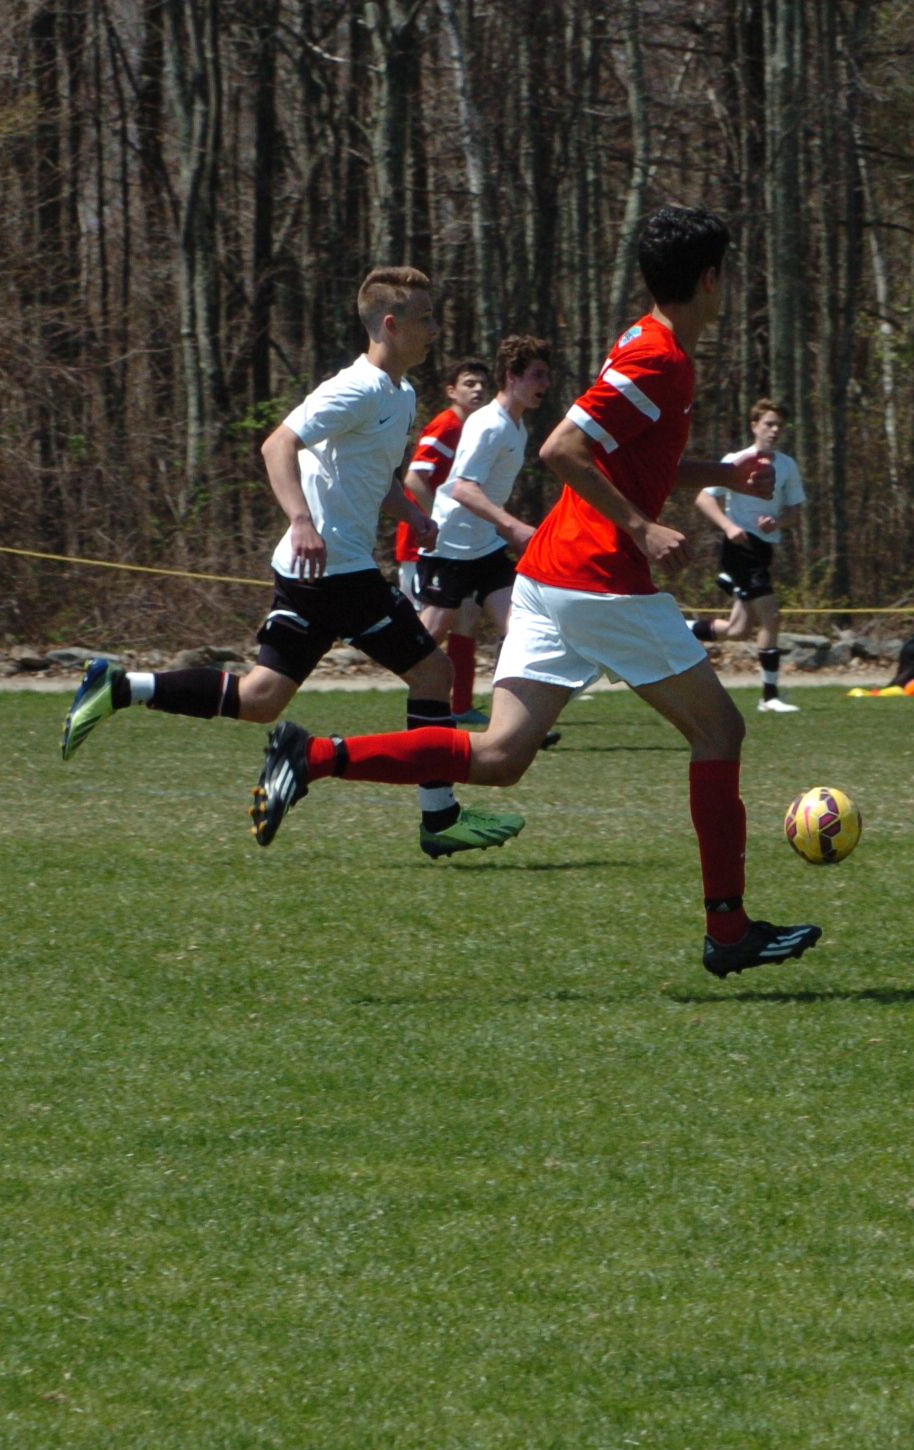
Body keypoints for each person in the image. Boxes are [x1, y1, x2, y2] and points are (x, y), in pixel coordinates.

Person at [242, 206, 823, 978]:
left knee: (500, 755)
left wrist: (721, 474)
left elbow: (621, 458)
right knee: (721, 733)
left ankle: (313, 756)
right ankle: (729, 930)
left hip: (551, 574)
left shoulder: (646, 343)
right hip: (598, 578)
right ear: (710, 279)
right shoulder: (659, 359)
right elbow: (564, 449)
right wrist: (642, 527)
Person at [58, 265, 524, 858]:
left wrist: (413, 515)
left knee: (261, 699)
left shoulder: (401, 394)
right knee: (434, 675)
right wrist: (301, 520)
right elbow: (277, 444)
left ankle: (120, 687)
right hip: (336, 572)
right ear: (391, 324)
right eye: (426, 318)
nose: (436, 329)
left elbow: (375, 475)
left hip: (313, 573)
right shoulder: (353, 389)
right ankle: (440, 816)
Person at [419, 334, 552, 730]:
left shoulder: (517, 427)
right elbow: (463, 489)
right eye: (537, 375)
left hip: (486, 550)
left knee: (522, 629)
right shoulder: (488, 425)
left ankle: (516, 725)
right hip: (449, 548)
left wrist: (502, 530)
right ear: (512, 376)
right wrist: (511, 525)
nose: (544, 384)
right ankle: (425, 715)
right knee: (425, 640)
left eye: (546, 375)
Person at [688, 398, 807, 713]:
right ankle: (769, 697)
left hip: (764, 548)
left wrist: (777, 521)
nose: (774, 430)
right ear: (754, 426)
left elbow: (793, 512)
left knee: (738, 629)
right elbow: (703, 498)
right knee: (771, 616)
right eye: (768, 423)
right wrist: (728, 526)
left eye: (779, 425)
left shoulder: (787, 465)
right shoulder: (735, 461)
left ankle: (678, 628)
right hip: (741, 547)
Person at [398, 355, 492, 716]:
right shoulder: (446, 425)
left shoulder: (475, 428)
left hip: (455, 545)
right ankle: (421, 695)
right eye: (469, 383)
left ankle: (461, 706)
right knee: (430, 629)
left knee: (467, 617)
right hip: (424, 543)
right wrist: (439, 520)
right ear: (451, 391)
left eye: (483, 384)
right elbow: (414, 479)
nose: (478, 389)